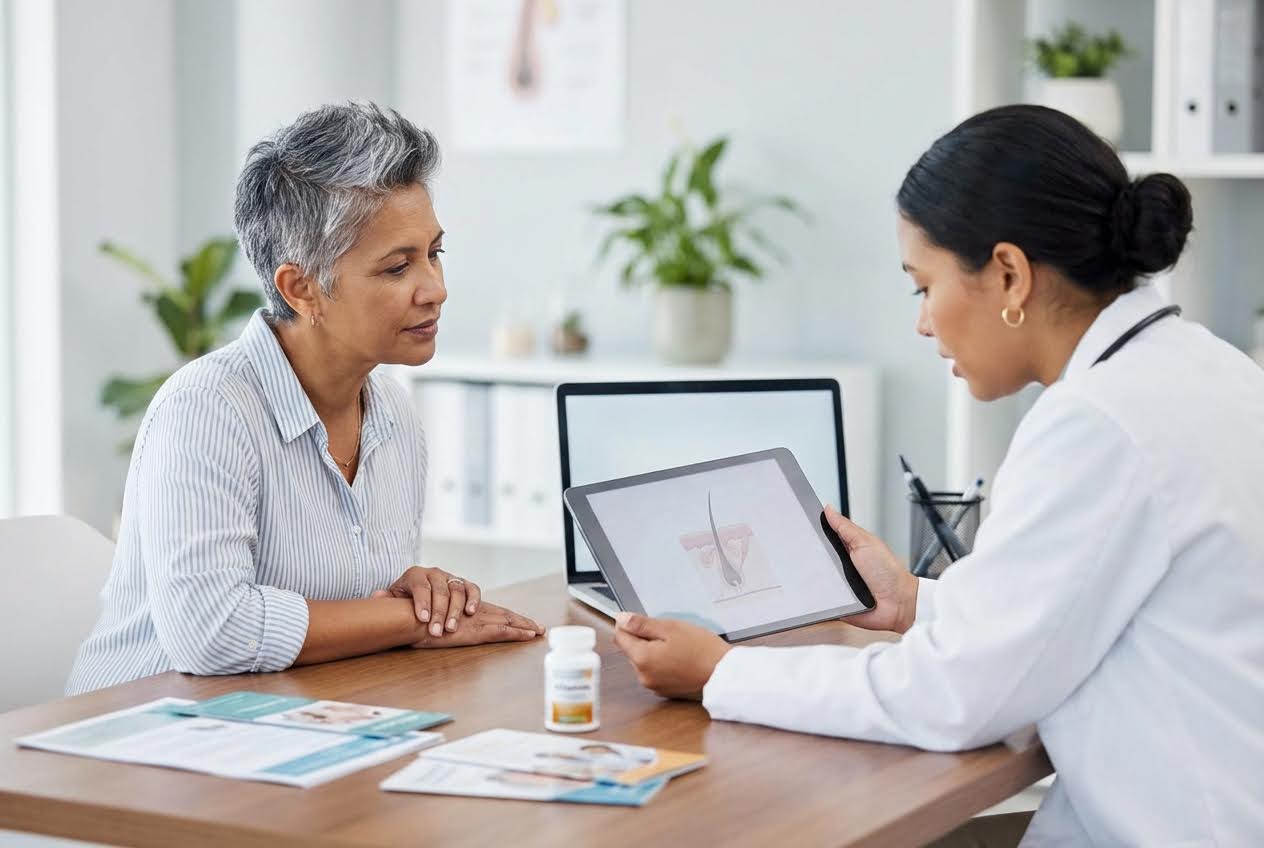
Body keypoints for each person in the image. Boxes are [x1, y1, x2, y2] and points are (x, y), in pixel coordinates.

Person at [613, 105, 1264, 846]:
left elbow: (952, 699)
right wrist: (913, 601)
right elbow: (1065, 609)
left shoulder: (1097, 425)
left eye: (923, 287)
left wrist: (721, 673)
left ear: (1010, 274)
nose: (923, 323)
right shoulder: (1205, 365)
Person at [68, 103, 543, 695]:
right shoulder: (206, 409)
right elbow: (212, 632)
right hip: (137, 740)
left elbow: (358, 611)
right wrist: (409, 621)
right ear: (301, 289)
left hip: (291, 722)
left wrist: (415, 594)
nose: (436, 289)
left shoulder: (393, 413)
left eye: (434, 253)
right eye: (398, 267)